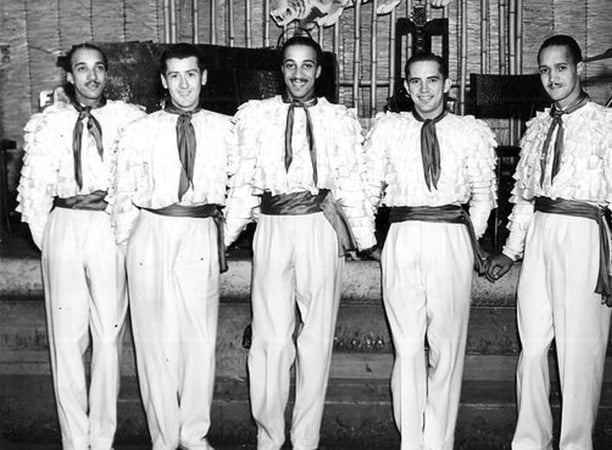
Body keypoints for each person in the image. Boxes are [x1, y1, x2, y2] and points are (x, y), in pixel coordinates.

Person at [485, 34, 612, 450]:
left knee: (580, 352)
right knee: (534, 343)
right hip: (542, 233)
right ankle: (530, 440)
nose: (552, 77)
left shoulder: (608, 125)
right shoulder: (539, 127)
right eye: (544, 69)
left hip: (583, 237)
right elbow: (525, 196)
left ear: (579, 69)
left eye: (560, 68)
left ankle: (576, 444)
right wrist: (510, 250)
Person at [224, 35, 375, 450]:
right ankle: (269, 437)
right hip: (273, 227)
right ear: (281, 70)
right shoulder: (257, 117)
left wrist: (364, 240)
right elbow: (244, 182)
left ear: (319, 71)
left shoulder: (338, 119)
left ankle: (306, 438)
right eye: (290, 66)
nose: (298, 74)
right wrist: (225, 237)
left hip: (318, 228)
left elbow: (352, 182)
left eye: (307, 66)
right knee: (271, 339)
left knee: (316, 337)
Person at [362, 52, 497, 450]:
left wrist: (471, 240)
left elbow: (484, 196)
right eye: (416, 82)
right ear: (405, 87)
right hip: (403, 236)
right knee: (406, 347)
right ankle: (412, 441)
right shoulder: (389, 130)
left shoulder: (470, 131)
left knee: (447, 347)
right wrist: (367, 239)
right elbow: (369, 189)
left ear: (447, 84)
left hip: (450, 237)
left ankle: (439, 441)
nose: (424, 90)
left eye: (432, 80)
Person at [15, 42, 145, 450]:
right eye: (82, 69)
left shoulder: (127, 119)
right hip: (65, 225)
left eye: (99, 68)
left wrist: (123, 233)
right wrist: (53, 238)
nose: (91, 77)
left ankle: (101, 437)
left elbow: (137, 182)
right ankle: (74, 439)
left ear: (107, 74)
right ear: (69, 77)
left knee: (108, 335)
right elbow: (34, 193)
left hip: (109, 226)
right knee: (67, 339)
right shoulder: (48, 123)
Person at [107, 43, 232, 450]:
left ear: (204, 77)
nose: (183, 84)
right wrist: (128, 247)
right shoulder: (141, 129)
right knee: (153, 339)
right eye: (174, 76)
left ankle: (194, 434)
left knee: (199, 336)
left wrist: (222, 237)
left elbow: (241, 188)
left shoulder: (226, 128)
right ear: (163, 81)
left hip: (198, 231)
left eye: (191, 74)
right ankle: (163, 436)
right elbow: (123, 192)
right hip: (153, 229)